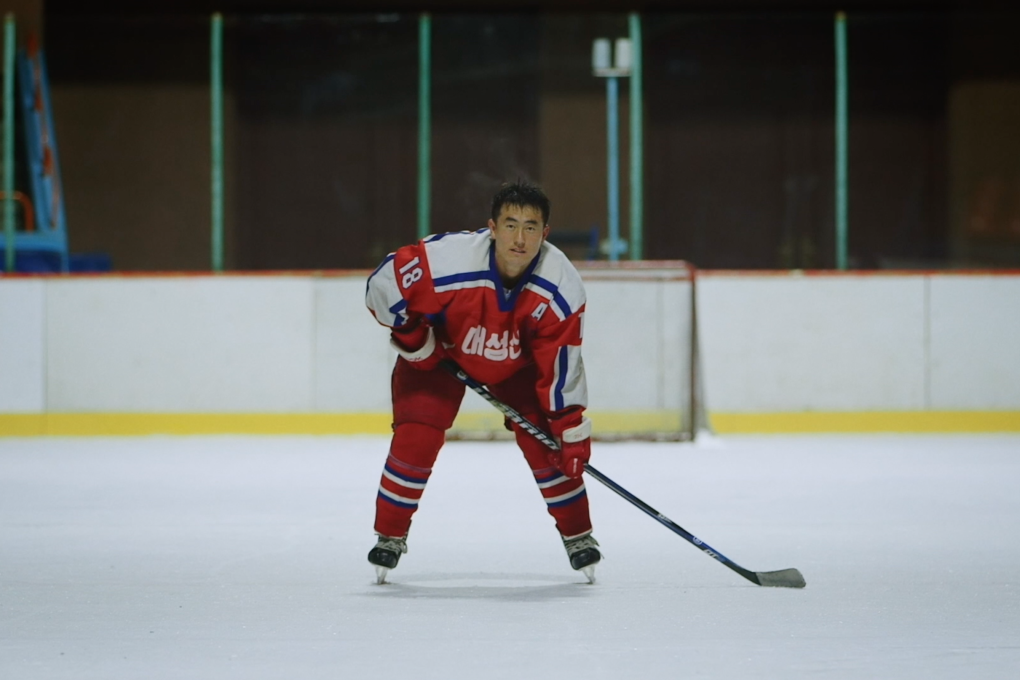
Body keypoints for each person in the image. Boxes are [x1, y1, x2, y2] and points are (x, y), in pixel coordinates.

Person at [364, 181, 600, 584]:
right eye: (510, 225)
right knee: (417, 436)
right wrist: (415, 340)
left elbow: (561, 364)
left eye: (530, 227)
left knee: (548, 445)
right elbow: (384, 285)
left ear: (545, 233)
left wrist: (569, 429)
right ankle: (389, 534)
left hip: (518, 366)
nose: (519, 238)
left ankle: (578, 535)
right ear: (492, 227)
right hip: (441, 356)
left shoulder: (561, 284)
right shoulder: (449, 260)